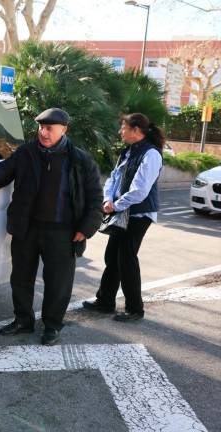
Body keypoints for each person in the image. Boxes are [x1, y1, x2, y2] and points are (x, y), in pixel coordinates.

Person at [0, 108, 103, 346]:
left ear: (63, 130)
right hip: (28, 227)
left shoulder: (80, 160)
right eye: (41, 128)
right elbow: (2, 172)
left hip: (63, 231)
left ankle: (52, 325)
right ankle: (23, 321)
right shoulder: (27, 153)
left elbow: (95, 196)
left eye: (49, 129)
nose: (43, 133)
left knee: (58, 282)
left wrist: (87, 228)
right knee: (21, 278)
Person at [83, 113, 164, 322]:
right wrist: (107, 199)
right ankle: (105, 301)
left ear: (136, 130)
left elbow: (140, 190)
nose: (120, 131)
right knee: (112, 256)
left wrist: (115, 205)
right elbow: (113, 177)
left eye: (123, 127)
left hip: (139, 213)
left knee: (127, 258)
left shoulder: (151, 154)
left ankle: (135, 309)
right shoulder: (128, 151)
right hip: (122, 211)